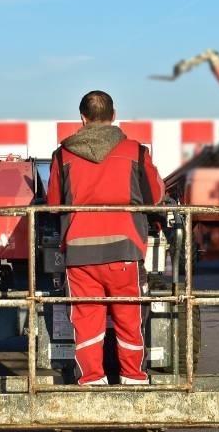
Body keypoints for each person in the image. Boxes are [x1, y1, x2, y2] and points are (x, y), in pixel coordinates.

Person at [46, 90, 165, 385]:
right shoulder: (136, 152)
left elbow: (53, 204)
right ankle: (134, 379)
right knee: (129, 320)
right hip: (124, 252)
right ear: (113, 116)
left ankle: (92, 380)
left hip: (80, 254)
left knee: (86, 323)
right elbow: (155, 197)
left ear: (82, 119)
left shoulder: (63, 155)